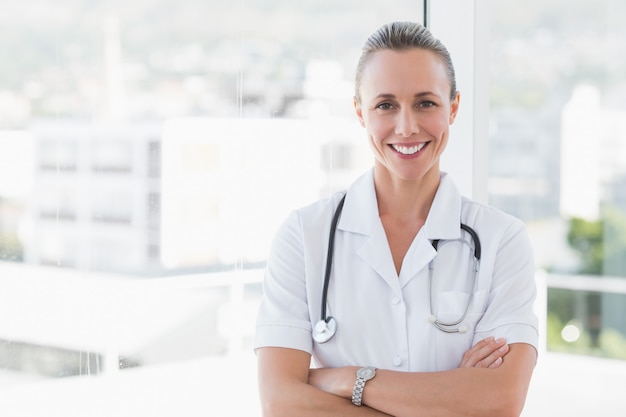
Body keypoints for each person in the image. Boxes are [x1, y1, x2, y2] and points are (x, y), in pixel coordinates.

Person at [254, 21, 538, 417]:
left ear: (453, 108)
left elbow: (500, 400)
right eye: (386, 105)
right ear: (360, 112)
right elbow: (280, 402)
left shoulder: (501, 240)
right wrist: (454, 395)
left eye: (426, 103)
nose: (407, 127)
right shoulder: (304, 236)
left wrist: (345, 379)